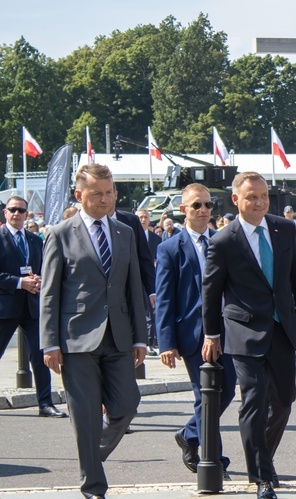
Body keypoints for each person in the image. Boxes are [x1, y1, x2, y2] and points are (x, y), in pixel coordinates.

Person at [41, 163, 147, 499]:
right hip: (75, 339)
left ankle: (90, 454)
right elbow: (49, 293)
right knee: (85, 415)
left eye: (110, 192)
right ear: (79, 194)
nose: (106, 199)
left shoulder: (125, 232)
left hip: (118, 336)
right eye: (97, 193)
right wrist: (49, 343)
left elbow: (135, 288)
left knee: (127, 405)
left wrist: (141, 336)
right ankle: (93, 487)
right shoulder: (60, 233)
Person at [202, 172, 296, 499]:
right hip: (243, 331)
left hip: (281, 329)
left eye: (263, 196)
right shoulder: (223, 240)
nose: (260, 202)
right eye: (252, 197)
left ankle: (263, 457)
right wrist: (212, 334)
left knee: (283, 402)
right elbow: (211, 292)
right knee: (254, 400)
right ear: (236, 200)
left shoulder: (283, 228)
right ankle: (262, 477)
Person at [155, 183, 237, 479]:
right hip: (191, 335)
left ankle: (189, 434)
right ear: (183, 210)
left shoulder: (222, 241)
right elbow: (164, 298)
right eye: (196, 206)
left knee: (226, 390)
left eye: (208, 205)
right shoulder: (169, 248)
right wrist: (166, 342)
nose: (203, 210)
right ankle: (214, 459)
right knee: (206, 395)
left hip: (225, 332)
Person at [0, 196, 66, 418]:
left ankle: (45, 403)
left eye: (21, 211)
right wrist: (19, 283)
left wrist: (38, 280)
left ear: (27, 214)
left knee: (41, 357)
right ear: (5, 213)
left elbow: (46, 268)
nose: (16, 214)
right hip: (5, 307)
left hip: (32, 306)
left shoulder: (35, 240)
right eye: (12, 210)